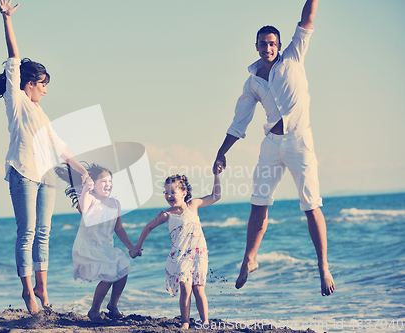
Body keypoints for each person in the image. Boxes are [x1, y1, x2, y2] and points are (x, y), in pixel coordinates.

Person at [213, 0, 335, 296]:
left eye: (272, 43)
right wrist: (222, 151)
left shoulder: (293, 57)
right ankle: (249, 259)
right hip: (271, 145)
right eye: (263, 44)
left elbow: (307, 17)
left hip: (299, 142)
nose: (268, 47)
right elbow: (239, 121)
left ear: (278, 45)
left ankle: (323, 266)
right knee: (258, 203)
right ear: (256, 47)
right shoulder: (252, 82)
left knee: (311, 205)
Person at [0, 0, 90, 314]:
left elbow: (60, 147)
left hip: (46, 176)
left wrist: (82, 171)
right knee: (26, 232)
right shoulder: (18, 102)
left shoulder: (41, 114)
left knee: (44, 233)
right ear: (29, 84)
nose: (46, 91)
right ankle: (28, 292)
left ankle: (42, 287)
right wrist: (7, 18)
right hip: (23, 172)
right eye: (43, 85)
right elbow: (13, 56)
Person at [130, 171, 222, 329]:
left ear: (184, 193)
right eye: (166, 192)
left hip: (198, 254)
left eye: (172, 192)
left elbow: (216, 195)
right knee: (185, 288)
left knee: (199, 288)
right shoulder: (166, 215)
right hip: (180, 256)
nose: (168, 195)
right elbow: (148, 227)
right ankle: (185, 321)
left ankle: (205, 322)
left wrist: (216, 175)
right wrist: (138, 246)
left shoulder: (193, 205)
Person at [58, 163, 135, 322]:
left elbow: (119, 229)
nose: (108, 185)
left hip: (106, 247)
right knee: (109, 273)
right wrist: (86, 188)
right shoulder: (91, 199)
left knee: (124, 267)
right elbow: (83, 209)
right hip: (89, 247)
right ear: (94, 184)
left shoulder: (115, 203)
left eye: (110, 182)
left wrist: (131, 247)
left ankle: (113, 306)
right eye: (104, 182)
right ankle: (94, 311)